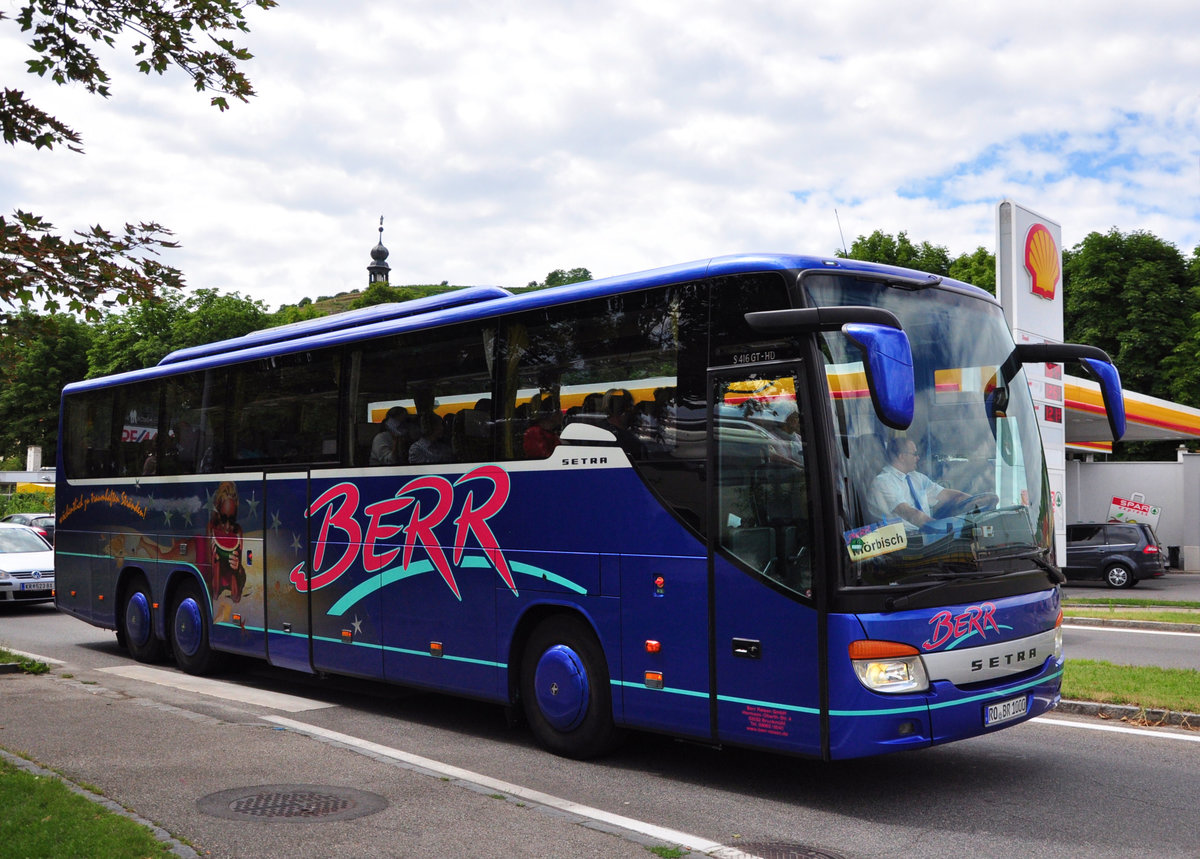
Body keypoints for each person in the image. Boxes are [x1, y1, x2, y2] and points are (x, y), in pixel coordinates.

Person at [868, 437, 970, 528]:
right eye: (915, 454)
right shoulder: (883, 482)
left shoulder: (917, 477)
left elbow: (946, 495)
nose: (918, 458)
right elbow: (909, 513)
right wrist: (940, 529)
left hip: (924, 539)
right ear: (902, 457)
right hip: (905, 543)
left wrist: (977, 500)